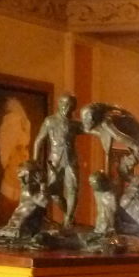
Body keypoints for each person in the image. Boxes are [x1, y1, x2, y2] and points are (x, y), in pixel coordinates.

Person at [32, 93, 83, 225]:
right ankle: (68, 215)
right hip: (55, 161)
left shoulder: (75, 124)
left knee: (73, 189)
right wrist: (34, 162)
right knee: (54, 192)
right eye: (65, 104)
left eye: (71, 106)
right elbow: (39, 141)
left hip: (71, 160)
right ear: (59, 104)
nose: (67, 108)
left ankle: (68, 219)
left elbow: (91, 128)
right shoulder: (50, 121)